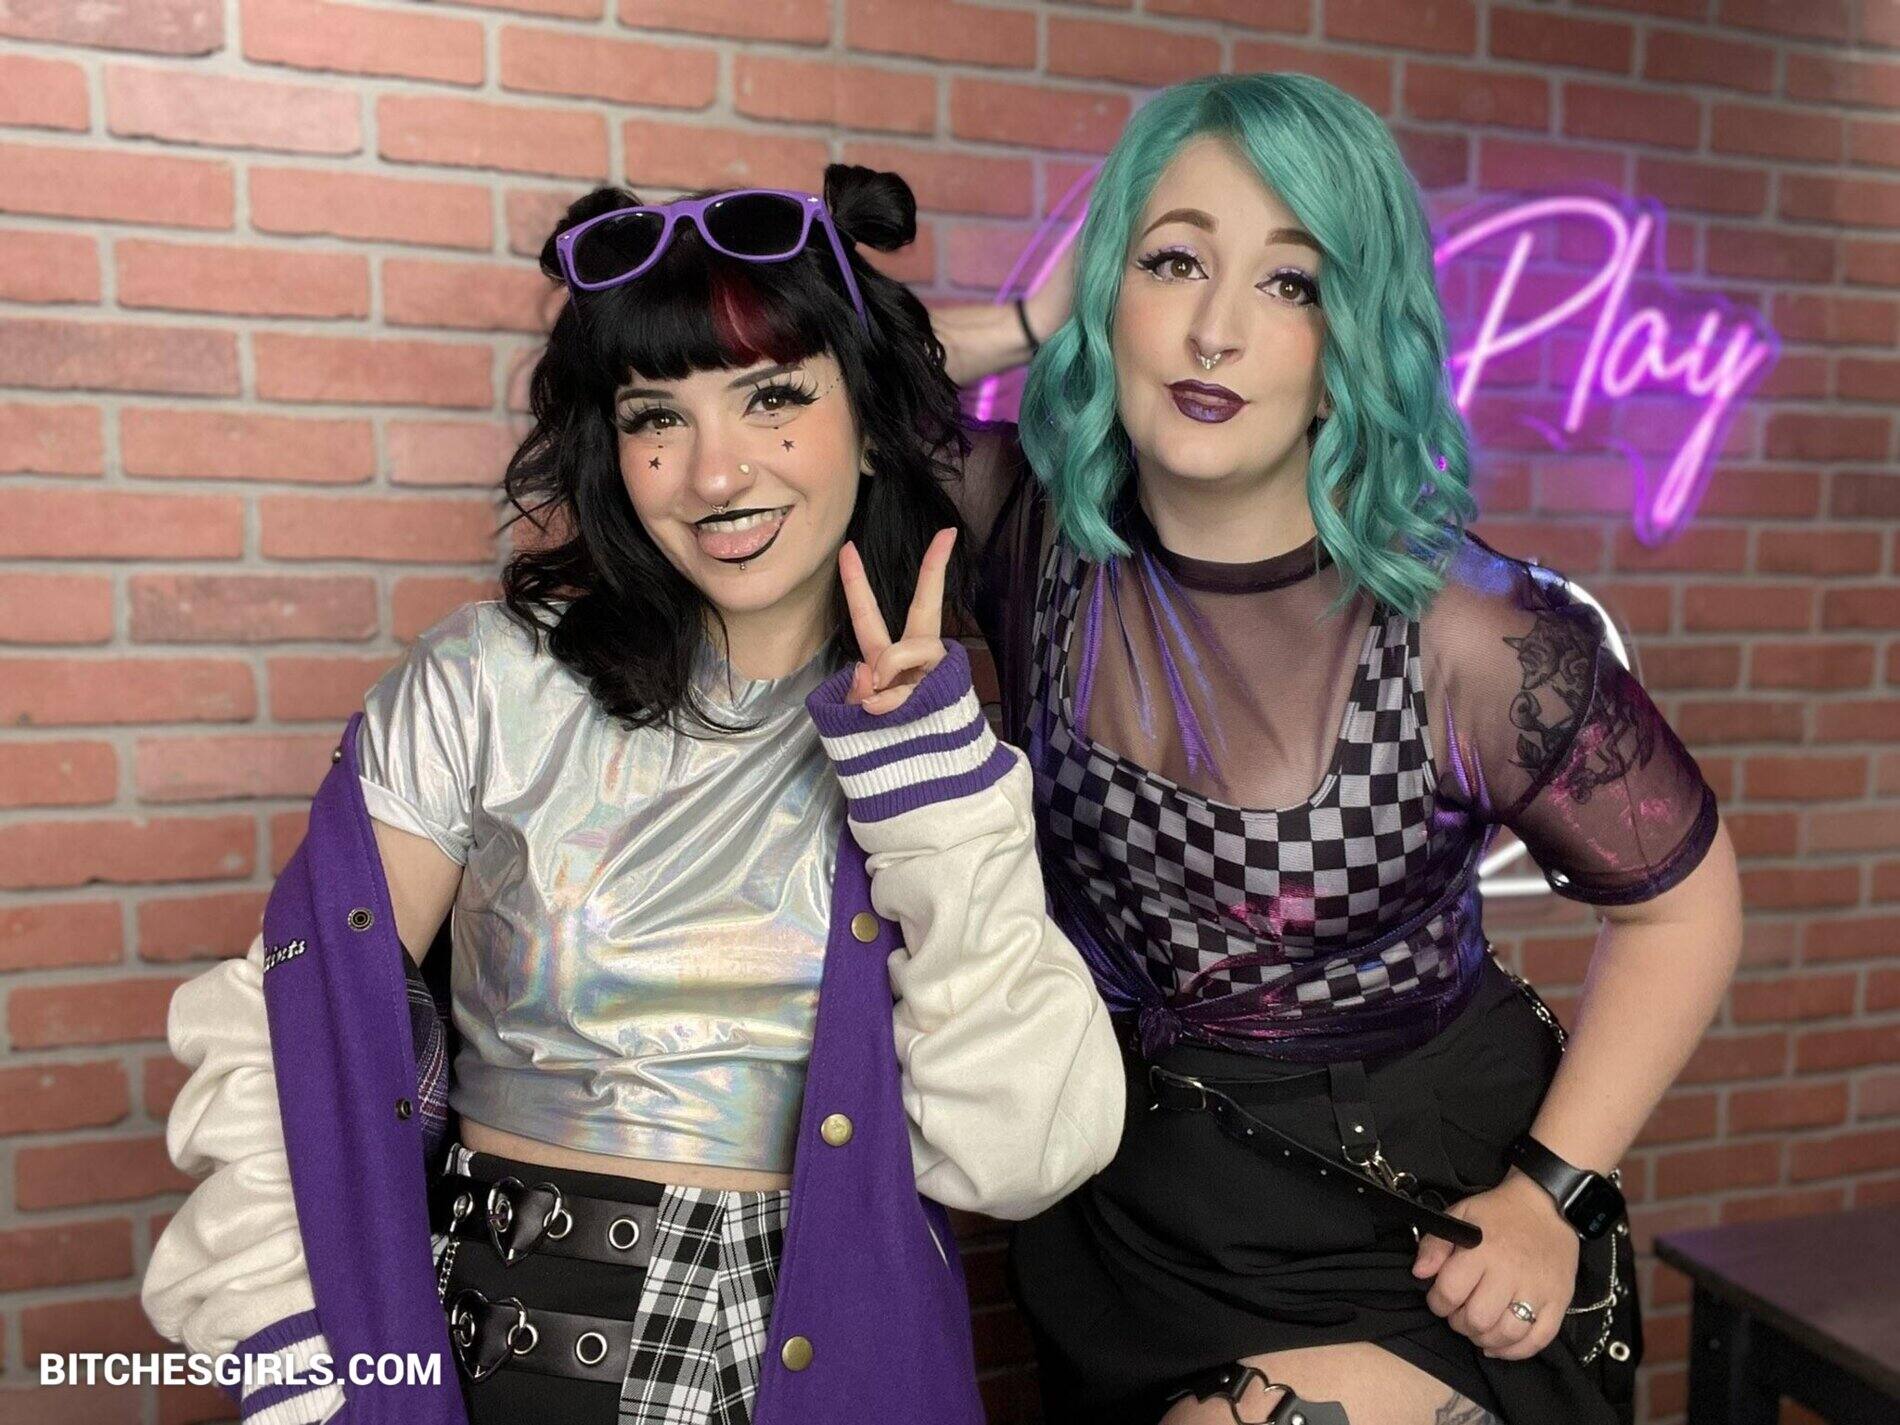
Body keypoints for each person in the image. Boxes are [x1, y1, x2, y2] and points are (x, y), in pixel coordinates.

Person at [140, 166, 1125, 1425]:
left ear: (870, 423)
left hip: (829, 1370)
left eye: (773, 398)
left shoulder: (928, 741)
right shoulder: (490, 682)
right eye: (657, 415)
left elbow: (1021, 1156)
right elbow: (287, 1028)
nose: (713, 474)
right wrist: (306, 1372)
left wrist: (926, 785)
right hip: (515, 1361)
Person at [930, 73, 1743, 1425]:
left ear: (1353, 335)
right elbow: (782, 387)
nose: (1215, 330)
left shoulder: (1467, 632)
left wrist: (1551, 1191)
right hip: (1118, 1221)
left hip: (1408, 1226)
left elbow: (1687, 910)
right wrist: (1027, 321)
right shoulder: (1024, 525)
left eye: (1291, 283)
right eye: (1171, 261)